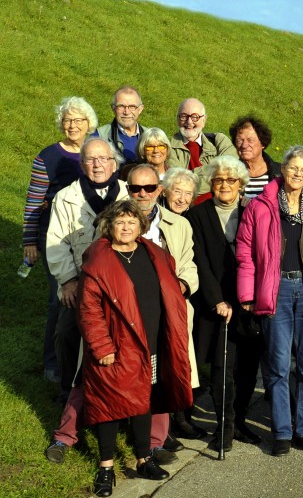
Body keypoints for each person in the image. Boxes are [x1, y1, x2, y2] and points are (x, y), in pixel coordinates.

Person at [77, 200, 192, 497]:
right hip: (114, 347)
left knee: (144, 399)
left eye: (131, 221)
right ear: (109, 226)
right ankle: (105, 468)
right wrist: (102, 346)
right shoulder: (98, 263)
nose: (126, 227)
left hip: (151, 343)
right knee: (108, 406)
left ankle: (144, 458)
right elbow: (89, 311)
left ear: (140, 226)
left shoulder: (154, 254)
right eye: (120, 222)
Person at [236, 145, 303, 456]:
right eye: (293, 168)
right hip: (276, 290)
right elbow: (245, 252)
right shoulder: (260, 206)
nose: (298, 174)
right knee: (279, 365)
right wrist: (247, 294)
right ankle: (282, 432)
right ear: (283, 169)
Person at [188, 156, 266, 448]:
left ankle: (241, 421)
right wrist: (217, 300)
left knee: (248, 366)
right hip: (217, 304)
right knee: (223, 368)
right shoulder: (198, 215)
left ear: (241, 184)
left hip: (250, 302)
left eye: (231, 180)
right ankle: (225, 427)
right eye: (219, 180)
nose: (224, 185)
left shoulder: (254, 210)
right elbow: (200, 262)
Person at [126, 164, 202, 450]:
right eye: (136, 188)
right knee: (135, 372)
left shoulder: (179, 224)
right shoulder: (115, 221)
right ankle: (139, 434)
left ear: (158, 190)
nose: (143, 194)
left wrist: (181, 286)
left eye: (148, 188)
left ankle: (159, 436)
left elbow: (188, 264)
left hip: (168, 309)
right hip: (130, 310)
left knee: (164, 372)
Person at [46, 138, 129, 392]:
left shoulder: (129, 192)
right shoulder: (65, 197)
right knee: (66, 331)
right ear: (82, 165)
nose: (97, 165)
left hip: (122, 283)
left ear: (113, 163)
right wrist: (69, 281)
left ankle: (119, 390)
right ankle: (70, 390)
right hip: (81, 283)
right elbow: (56, 243)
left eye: (103, 158)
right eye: (90, 160)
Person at [23, 96, 97, 383]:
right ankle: (53, 362)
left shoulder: (98, 152)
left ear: (88, 123)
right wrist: (29, 241)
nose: (72, 125)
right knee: (61, 298)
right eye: (67, 120)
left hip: (90, 236)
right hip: (54, 236)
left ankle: (84, 357)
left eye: (78, 120)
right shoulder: (48, 157)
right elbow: (33, 202)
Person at [167, 98, 236, 183]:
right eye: (183, 116)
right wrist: (215, 175)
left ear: (204, 120)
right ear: (178, 119)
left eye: (195, 117)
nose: (189, 122)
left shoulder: (219, 140)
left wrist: (189, 176)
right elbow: (180, 183)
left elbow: (229, 170)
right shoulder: (167, 147)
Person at [230, 114, 280, 199]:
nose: (244, 145)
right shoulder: (230, 173)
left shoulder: (280, 173)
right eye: (239, 140)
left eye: (250, 140)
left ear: (262, 143)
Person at [95, 86, 147, 163]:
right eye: (121, 106)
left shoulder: (150, 137)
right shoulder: (99, 137)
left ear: (140, 109)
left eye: (132, 107)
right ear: (113, 108)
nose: (126, 112)